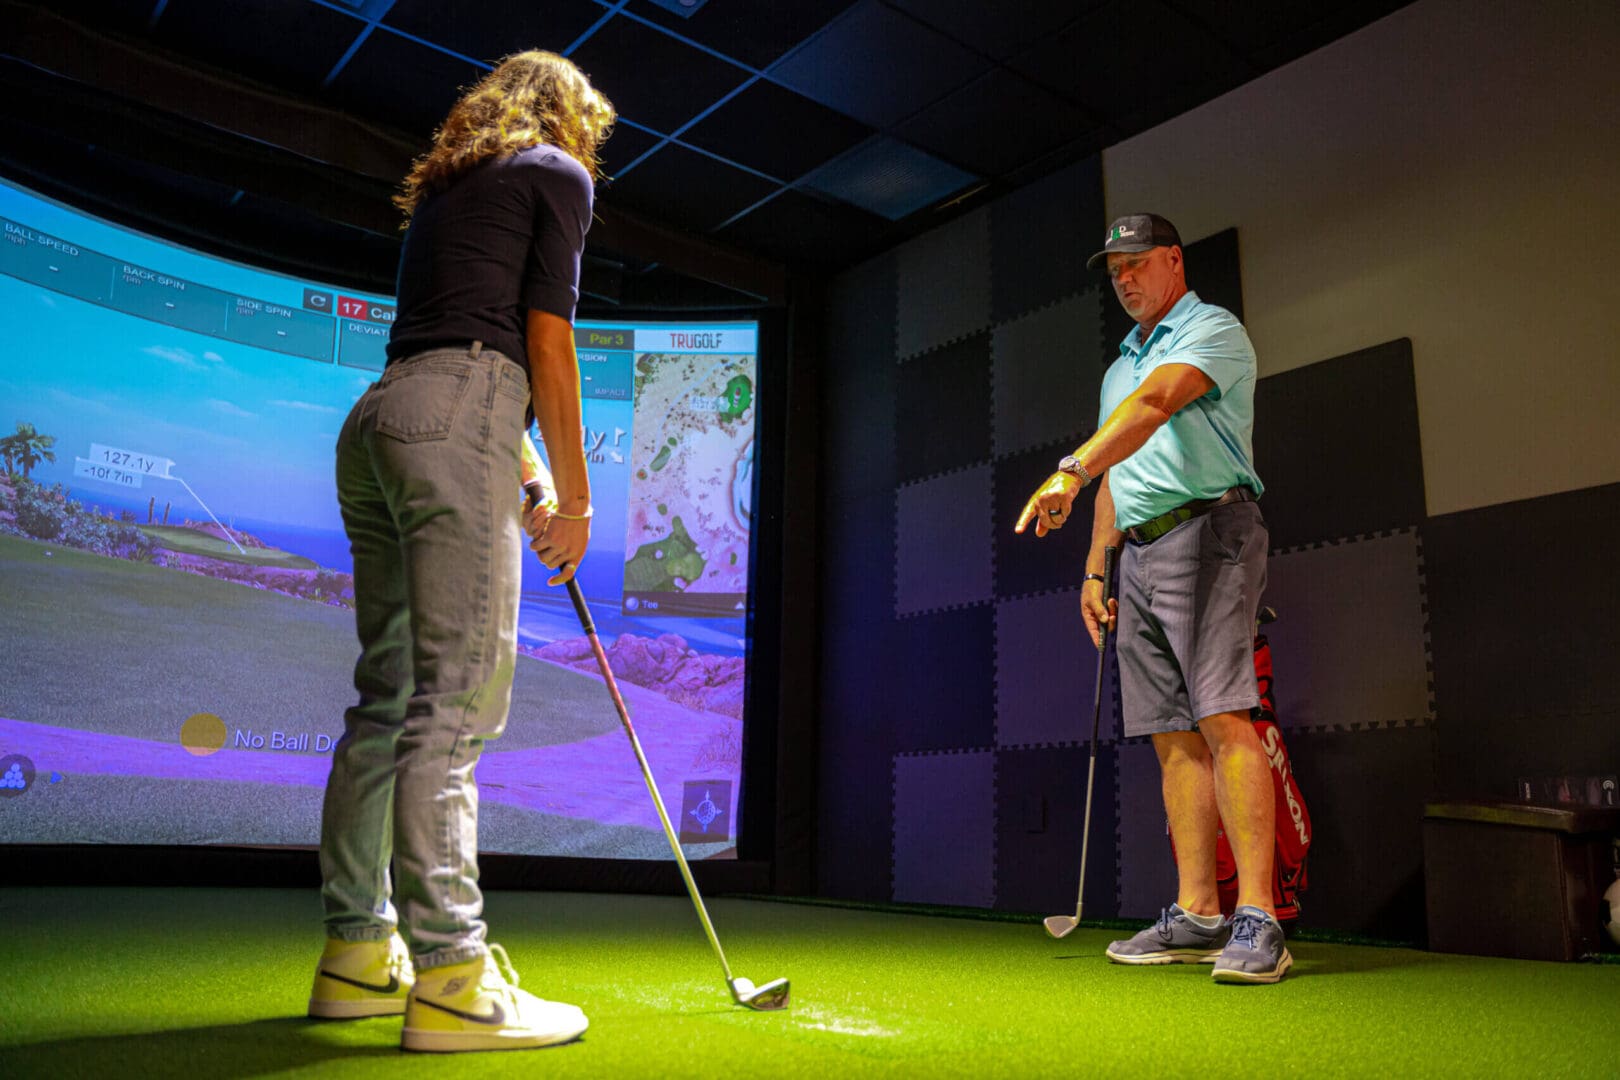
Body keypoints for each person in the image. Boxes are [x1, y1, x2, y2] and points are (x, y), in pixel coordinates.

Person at [306, 51, 616, 1049]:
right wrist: (572, 498)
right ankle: (453, 979)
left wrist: (525, 478)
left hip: (381, 418)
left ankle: (358, 955)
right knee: (455, 703)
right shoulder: (559, 174)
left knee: (387, 699)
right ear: (569, 116)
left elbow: (457, 346)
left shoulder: (450, 189)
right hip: (459, 414)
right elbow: (542, 345)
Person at [1014, 213, 1289, 984]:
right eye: (1114, 271)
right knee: (1172, 734)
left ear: (1173, 260)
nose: (1126, 279)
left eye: (1138, 263)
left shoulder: (1213, 329)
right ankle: (1198, 912)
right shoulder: (1117, 367)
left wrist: (1069, 467)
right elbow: (1119, 471)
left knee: (1223, 713)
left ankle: (1260, 916)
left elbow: (1159, 405)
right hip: (1138, 550)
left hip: (1213, 531)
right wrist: (1097, 569)